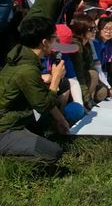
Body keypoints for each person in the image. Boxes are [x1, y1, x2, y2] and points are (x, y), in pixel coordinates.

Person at [0, 17, 69, 162]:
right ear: (44, 42)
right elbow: (43, 104)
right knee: (52, 153)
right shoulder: (27, 69)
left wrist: (60, 119)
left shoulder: (21, 57)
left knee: (48, 132)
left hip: (16, 119)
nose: (55, 42)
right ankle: (7, 159)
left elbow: (40, 94)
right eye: (54, 38)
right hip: (5, 128)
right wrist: (55, 80)